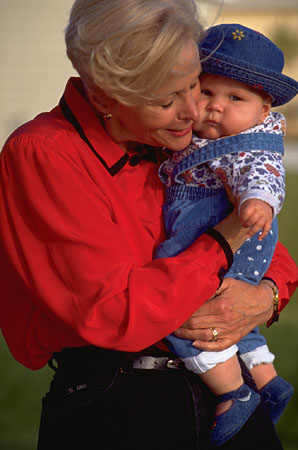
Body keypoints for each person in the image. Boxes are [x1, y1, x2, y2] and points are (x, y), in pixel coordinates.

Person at [0, 3, 297, 450]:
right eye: (166, 100)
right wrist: (223, 241)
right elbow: (118, 312)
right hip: (122, 401)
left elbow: (272, 250)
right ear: (104, 97)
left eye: (194, 84)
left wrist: (265, 295)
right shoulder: (45, 153)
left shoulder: (177, 141)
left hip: (225, 380)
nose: (195, 110)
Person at [156, 23, 298, 446]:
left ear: (264, 108)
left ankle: (231, 392)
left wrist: (257, 200)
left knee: (195, 316)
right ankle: (266, 377)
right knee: (235, 314)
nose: (215, 107)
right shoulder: (199, 139)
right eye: (206, 92)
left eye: (234, 98)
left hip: (227, 236)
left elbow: (262, 174)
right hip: (224, 240)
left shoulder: (248, 145)